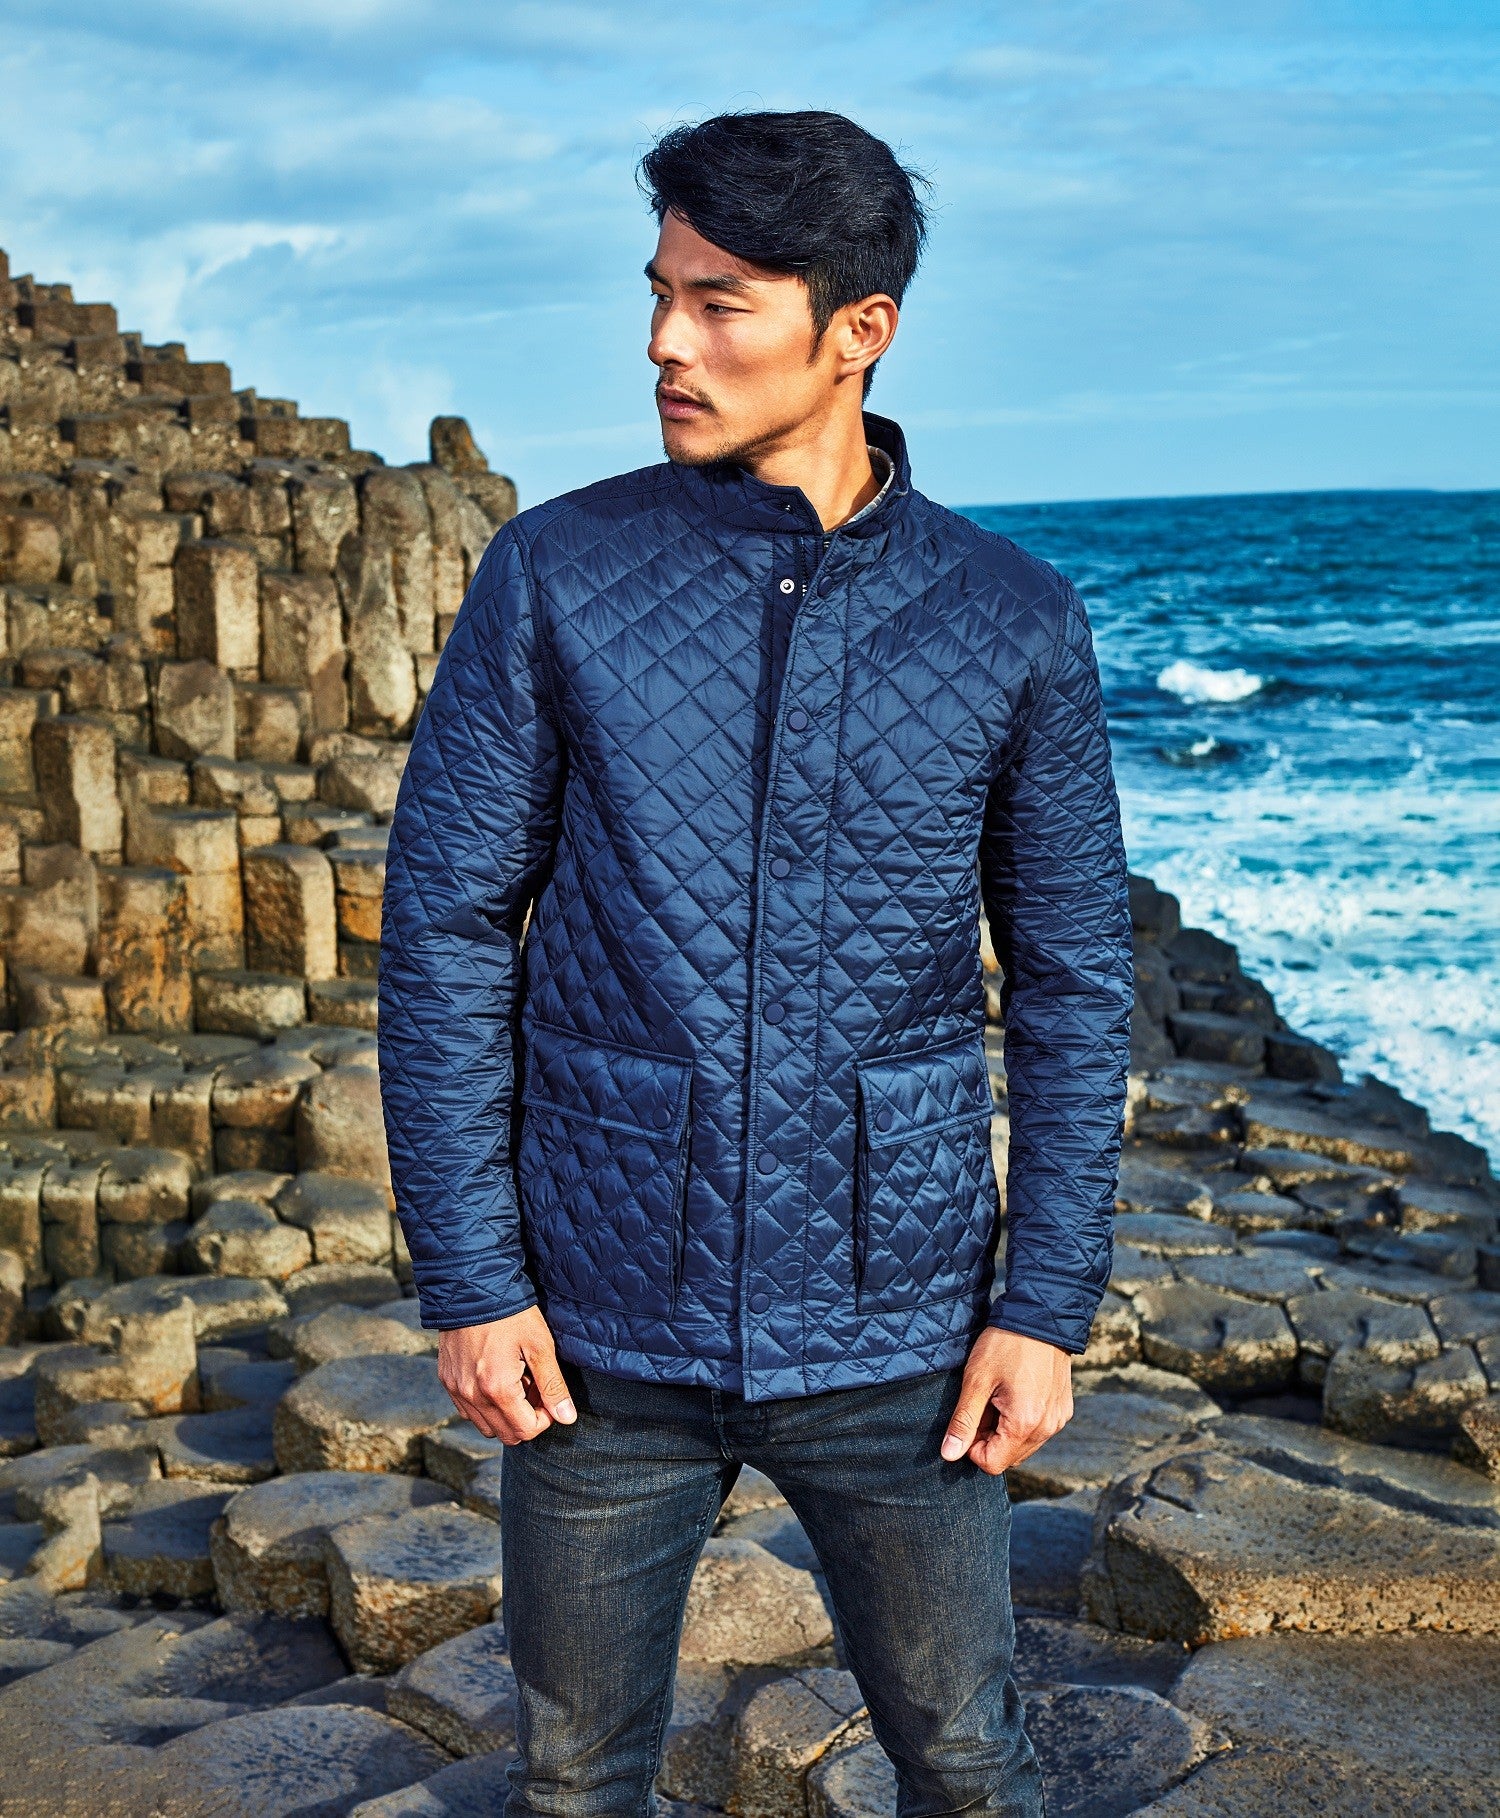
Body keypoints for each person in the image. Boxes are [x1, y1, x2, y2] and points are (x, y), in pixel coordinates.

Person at [379, 108, 1133, 1818]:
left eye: (720, 302)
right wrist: (473, 1278)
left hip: (905, 1329)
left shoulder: (1012, 616)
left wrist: (1043, 1306)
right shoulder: (555, 572)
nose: (666, 340)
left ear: (860, 328)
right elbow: (443, 929)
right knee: (575, 1776)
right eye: (659, 292)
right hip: (597, 1323)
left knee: (970, 1764)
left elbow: (1077, 978)